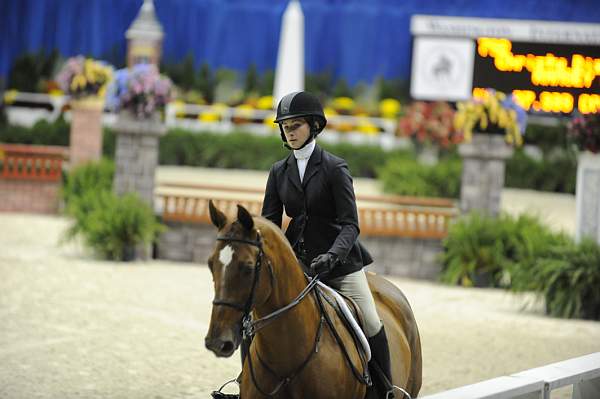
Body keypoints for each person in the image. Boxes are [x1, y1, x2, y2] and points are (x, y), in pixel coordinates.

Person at [260, 91, 395, 398]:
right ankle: (247, 384)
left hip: (340, 262)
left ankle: (386, 389)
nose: (290, 131)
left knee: (371, 320)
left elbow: (351, 224)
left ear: (314, 126)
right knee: (253, 318)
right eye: (285, 126)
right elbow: (269, 225)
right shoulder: (279, 172)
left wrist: (332, 256)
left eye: (296, 125)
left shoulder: (335, 168)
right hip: (297, 263)